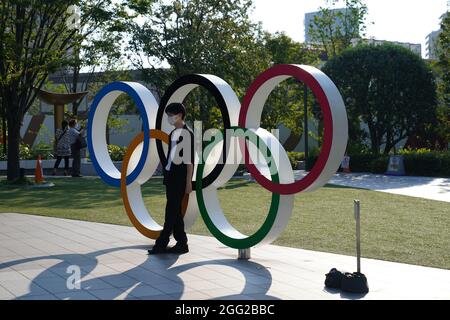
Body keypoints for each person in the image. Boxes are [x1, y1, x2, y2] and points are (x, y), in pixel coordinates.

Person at [148, 103, 194, 255]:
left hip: (180, 179)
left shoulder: (187, 134)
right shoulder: (173, 133)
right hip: (170, 177)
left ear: (179, 115)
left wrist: (188, 183)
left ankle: (161, 243)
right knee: (175, 212)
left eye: (170, 115)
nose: (168, 118)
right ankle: (182, 243)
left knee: (171, 211)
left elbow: (189, 161)